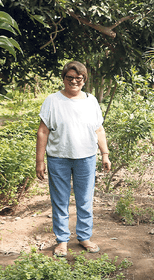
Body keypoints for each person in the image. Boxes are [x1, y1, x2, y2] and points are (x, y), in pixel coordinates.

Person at [35, 61, 111, 257]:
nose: (74, 82)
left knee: (84, 200)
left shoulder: (91, 101)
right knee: (60, 201)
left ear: (84, 80)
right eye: (70, 78)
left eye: (79, 78)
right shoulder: (52, 100)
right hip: (58, 158)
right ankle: (62, 240)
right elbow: (43, 131)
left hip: (85, 158)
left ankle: (84, 237)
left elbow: (99, 129)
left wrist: (105, 154)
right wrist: (40, 161)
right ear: (64, 79)